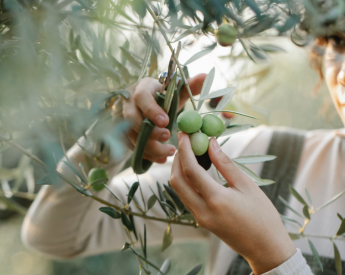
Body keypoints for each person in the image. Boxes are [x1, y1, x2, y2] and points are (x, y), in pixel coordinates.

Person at [20, 33, 345, 275]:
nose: (342, 74)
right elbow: (53, 236)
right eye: (339, 42)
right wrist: (114, 137)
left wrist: (273, 258)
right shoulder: (260, 158)